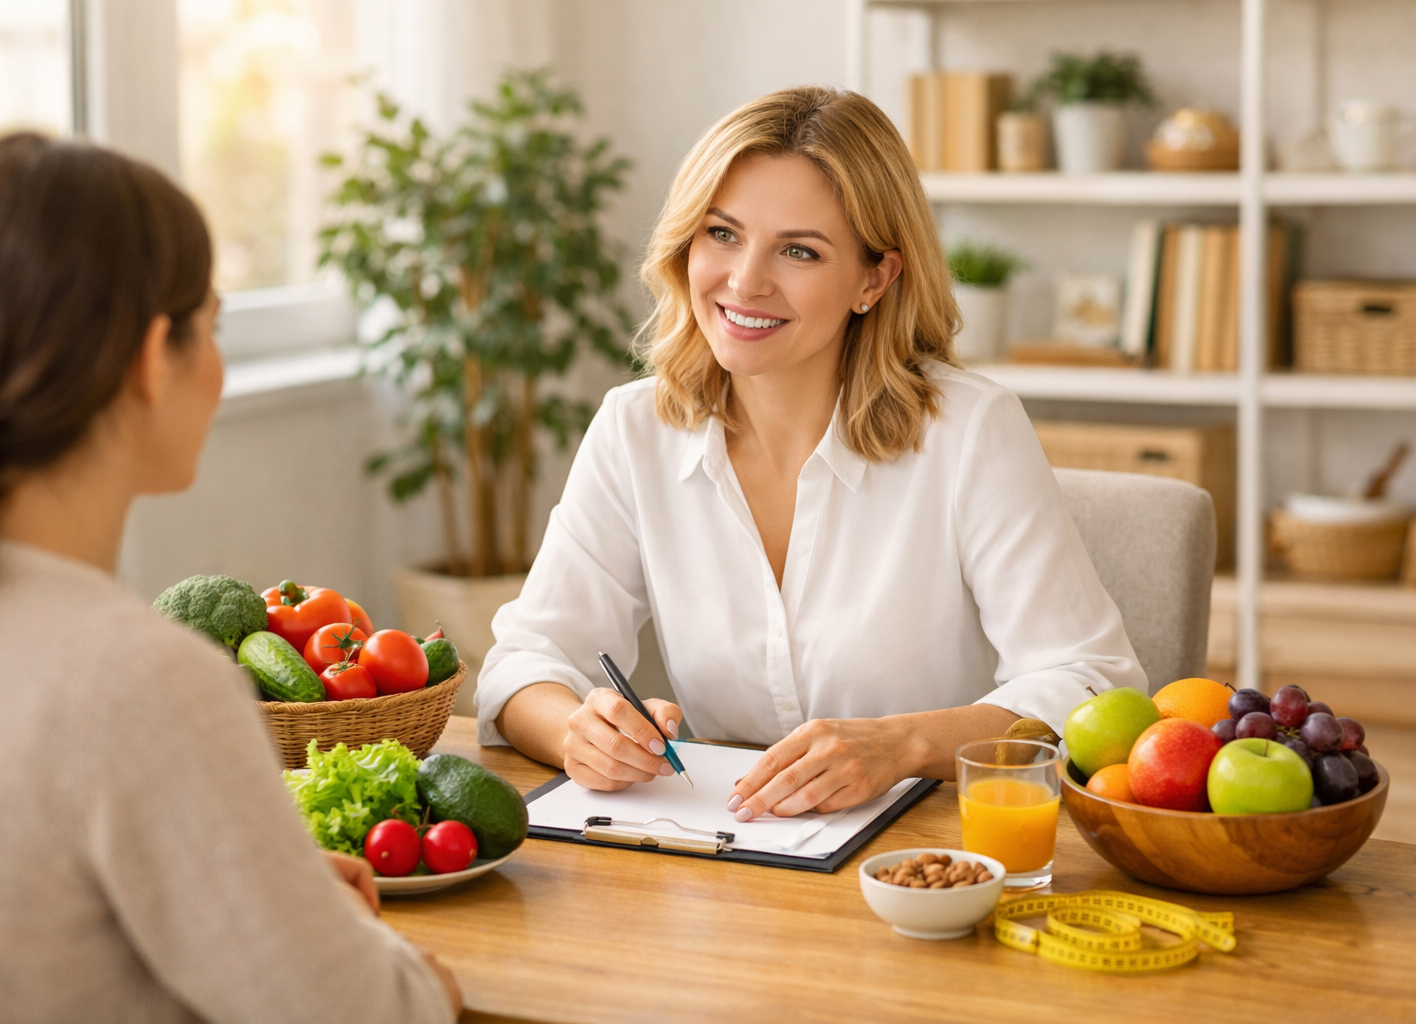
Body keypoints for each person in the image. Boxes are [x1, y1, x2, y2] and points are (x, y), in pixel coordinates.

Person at [0, 133, 460, 1023]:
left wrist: (264, 880)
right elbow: (381, 1011)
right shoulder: (140, 682)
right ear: (154, 357)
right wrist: (381, 950)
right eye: (214, 325)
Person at [476, 86, 1145, 823]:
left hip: (924, 857)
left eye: (799, 250)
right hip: (724, 859)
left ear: (874, 278)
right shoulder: (635, 430)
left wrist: (903, 745)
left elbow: (1091, 683)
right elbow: (524, 664)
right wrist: (578, 731)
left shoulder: (970, 430)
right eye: (721, 234)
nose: (744, 281)